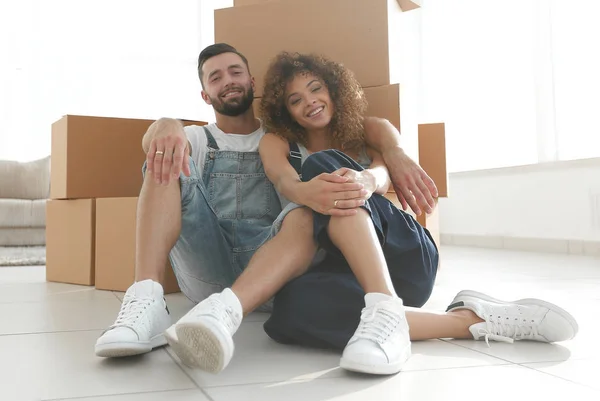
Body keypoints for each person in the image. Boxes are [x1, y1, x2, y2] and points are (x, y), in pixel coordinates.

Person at [164, 50, 579, 376]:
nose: (309, 102)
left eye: (315, 89)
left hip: (403, 259)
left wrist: (367, 181)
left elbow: (384, 170)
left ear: (333, 89)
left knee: (324, 164)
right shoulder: (277, 142)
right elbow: (283, 182)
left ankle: (379, 304)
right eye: (296, 99)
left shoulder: (369, 129)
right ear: (283, 109)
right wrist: (308, 192)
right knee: (290, 312)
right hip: (349, 278)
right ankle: (472, 319)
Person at [93, 43, 437, 363]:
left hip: (274, 266)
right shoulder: (195, 137)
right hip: (207, 264)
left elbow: (371, 135)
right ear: (205, 94)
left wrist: (394, 154)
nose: (227, 81)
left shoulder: (285, 139)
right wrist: (165, 125)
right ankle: (146, 300)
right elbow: (153, 141)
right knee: (164, 158)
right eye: (216, 77)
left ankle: (227, 312)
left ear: (252, 81)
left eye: (235, 72)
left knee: (306, 211)